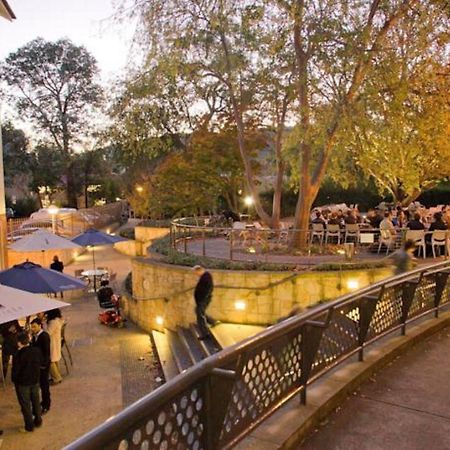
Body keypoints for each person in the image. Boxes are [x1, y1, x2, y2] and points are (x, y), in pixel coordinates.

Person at [12, 332, 43, 432]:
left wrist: (14, 380)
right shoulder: (36, 350)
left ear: (19, 343)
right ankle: (38, 421)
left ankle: (29, 426)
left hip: (23, 383)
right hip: (35, 380)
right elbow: (41, 362)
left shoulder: (18, 355)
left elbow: (15, 371)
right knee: (36, 401)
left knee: (26, 406)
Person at [30, 318, 51, 414]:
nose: (33, 329)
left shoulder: (44, 336)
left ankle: (46, 404)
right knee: (40, 385)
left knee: (44, 386)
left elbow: (47, 352)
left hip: (43, 366)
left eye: (34, 327)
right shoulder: (35, 336)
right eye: (32, 327)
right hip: (37, 365)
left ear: (39, 325)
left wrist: (44, 365)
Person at [193, 265, 217, 339]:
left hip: (203, 300)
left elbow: (208, 289)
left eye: (196, 272)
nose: (195, 274)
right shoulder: (205, 276)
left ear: (199, 270)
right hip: (202, 299)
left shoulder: (206, 277)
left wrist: (203, 299)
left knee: (200, 315)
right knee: (199, 312)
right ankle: (212, 321)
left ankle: (205, 333)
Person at [46, 309, 64, 385]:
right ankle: (57, 375)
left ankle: (56, 377)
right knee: (54, 360)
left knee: (50, 361)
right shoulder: (58, 320)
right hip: (56, 342)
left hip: (52, 343)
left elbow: (47, 333)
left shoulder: (53, 322)